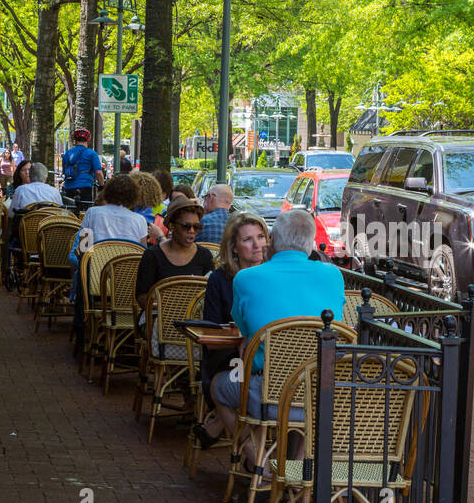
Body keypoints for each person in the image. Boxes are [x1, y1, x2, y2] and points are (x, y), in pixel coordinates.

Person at [212, 209, 345, 470]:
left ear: (271, 240)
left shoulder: (246, 278)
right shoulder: (333, 275)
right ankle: (296, 472)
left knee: (218, 386)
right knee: (307, 400)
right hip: (321, 395)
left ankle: (260, 464)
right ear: (309, 243)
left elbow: (243, 326)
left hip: (269, 396)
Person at [192, 211, 268, 450]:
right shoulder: (220, 279)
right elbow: (212, 329)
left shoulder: (271, 276)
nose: (257, 245)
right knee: (234, 384)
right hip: (229, 358)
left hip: (266, 358)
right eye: (248, 239)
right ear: (234, 248)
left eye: (261, 237)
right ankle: (252, 454)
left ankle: (214, 427)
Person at [70, 173, 149, 348]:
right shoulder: (140, 221)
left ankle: (85, 337)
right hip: (126, 286)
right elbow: (143, 255)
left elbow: (83, 249)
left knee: (82, 275)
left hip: (95, 283)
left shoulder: (92, 213)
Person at [135, 195, 214, 308]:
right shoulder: (153, 255)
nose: (191, 231)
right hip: (159, 316)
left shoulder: (204, 255)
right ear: (172, 226)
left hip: (193, 318)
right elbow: (142, 297)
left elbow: (211, 294)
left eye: (196, 226)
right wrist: (169, 307)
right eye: (186, 226)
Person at [61, 129, 104, 211]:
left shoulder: (67, 153)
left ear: (75, 140)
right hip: (85, 188)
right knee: (84, 214)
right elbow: (98, 172)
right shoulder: (91, 153)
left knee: (70, 214)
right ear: (88, 140)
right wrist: (102, 186)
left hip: (68, 188)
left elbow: (64, 171)